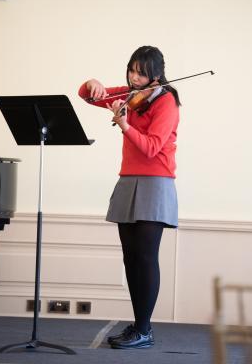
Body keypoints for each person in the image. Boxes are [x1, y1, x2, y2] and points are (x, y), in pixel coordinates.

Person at [78, 46, 181, 349]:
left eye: (141, 72)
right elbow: (88, 95)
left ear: (156, 74)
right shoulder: (130, 94)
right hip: (129, 180)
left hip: (156, 182)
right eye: (131, 70)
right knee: (131, 257)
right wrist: (91, 83)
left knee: (146, 257)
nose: (134, 77)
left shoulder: (167, 102)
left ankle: (145, 330)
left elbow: (151, 148)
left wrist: (124, 124)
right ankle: (138, 327)